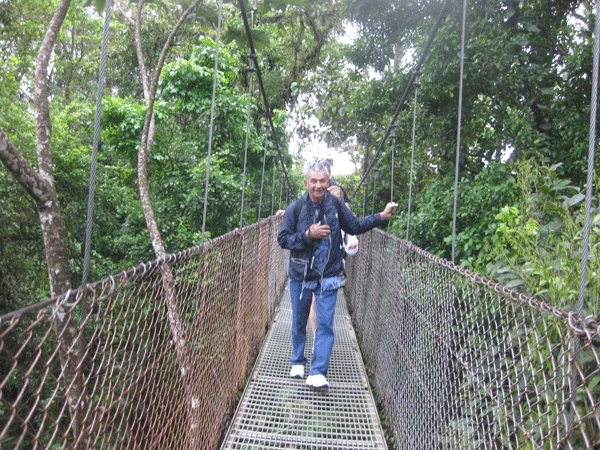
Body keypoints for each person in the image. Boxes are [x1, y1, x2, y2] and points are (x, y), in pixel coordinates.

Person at [277, 161, 397, 388]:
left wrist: (380, 216)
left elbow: (354, 226)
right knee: (299, 321)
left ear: (328, 182)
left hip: (328, 274)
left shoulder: (336, 205)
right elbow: (283, 240)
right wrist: (307, 234)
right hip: (301, 275)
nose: (318, 185)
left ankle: (318, 372)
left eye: (323, 181)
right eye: (313, 181)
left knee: (325, 324)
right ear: (306, 183)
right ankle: (298, 360)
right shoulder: (294, 208)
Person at [308, 185, 357, 341]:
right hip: (314, 265)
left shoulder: (346, 217)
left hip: (334, 269)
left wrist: (352, 245)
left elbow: (351, 245)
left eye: (337, 196)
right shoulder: (315, 213)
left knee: (325, 306)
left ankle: (323, 336)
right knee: (314, 301)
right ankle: (317, 338)